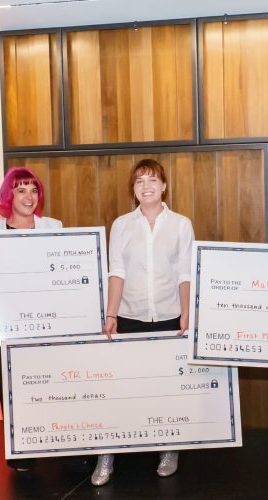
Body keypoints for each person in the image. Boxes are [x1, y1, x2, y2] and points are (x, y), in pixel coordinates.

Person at [94, 158, 195, 486]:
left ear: (164, 186)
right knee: (120, 387)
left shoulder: (181, 224)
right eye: (139, 181)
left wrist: (186, 312)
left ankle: (169, 449)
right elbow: (116, 272)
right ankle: (106, 455)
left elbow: (184, 271)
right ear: (133, 189)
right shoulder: (122, 224)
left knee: (165, 387)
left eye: (152, 180)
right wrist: (110, 314)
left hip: (167, 316)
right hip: (130, 316)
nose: (146, 186)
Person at [0, 167, 63, 474]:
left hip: (42, 327)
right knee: (8, 390)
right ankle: (20, 450)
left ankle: (52, 443)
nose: (28, 196)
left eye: (33, 190)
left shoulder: (54, 227)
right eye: (21, 190)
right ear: (9, 195)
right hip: (1, 331)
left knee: (43, 388)